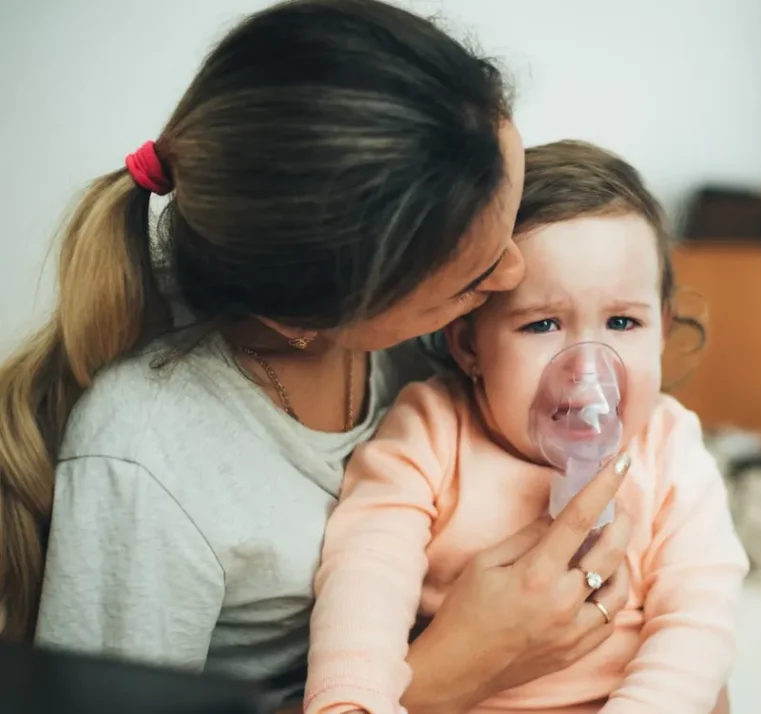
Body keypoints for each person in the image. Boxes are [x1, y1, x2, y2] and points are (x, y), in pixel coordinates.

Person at [0, 2, 637, 711]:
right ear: (306, 320)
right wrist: (462, 665)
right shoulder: (149, 462)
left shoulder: (415, 350)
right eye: (469, 280)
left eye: (507, 225)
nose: (513, 276)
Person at [304, 141, 748, 714]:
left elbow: (699, 619)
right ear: (468, 344)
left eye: (621, 322)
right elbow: (364, 577)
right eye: (542, 324)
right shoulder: (431, 432)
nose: (587, 366)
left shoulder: (669, 446)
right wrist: (352, 700)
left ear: (662, 329)